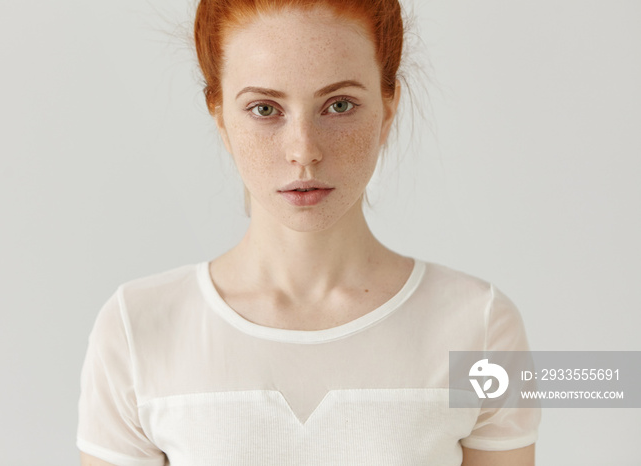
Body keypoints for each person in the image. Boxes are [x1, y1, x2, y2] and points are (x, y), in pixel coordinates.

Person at [77, 0, 540, 464]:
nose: (304, 150)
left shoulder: (478, 327)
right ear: (219, 116)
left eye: (339, 105)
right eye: (264, 108)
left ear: (388, 107)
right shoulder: (137, 330)